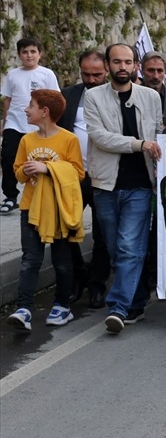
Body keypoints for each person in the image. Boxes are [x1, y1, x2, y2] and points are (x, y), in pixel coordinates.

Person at [83, 43, 162, 334]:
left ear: (135, 65)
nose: (123, 67)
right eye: (117, 62)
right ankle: (137, 301)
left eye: (128, 61)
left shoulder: (151, 97)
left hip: (140, 185)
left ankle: (118, 307)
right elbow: (100, 136)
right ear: (107, 65)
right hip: (105, 185)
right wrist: (139, 144)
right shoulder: (92, 97)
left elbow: (158, 133)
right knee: (118, 250)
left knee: (129, 246)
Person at [6, 89, 85, 332]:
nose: (26, 109)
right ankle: (24, 309)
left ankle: (62, 306)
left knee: (61, 260)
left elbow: (78, 173)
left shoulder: (69, 139)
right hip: (30, 207)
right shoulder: (26, 140)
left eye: (31, 105)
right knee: (30, 260)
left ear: (44, 111)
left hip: (59, 209)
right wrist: (26, 170)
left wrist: (48, 168)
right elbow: (18, 172)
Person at [56, 50, 111, 307]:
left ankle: (97, 284)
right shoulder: (68, 96)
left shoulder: (116, 96)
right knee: (66, 229)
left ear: (107, 70)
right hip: (73, 176)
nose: (91, 79)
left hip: (104, 176)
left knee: (103, 234)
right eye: (86, 74)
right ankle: (79, 275)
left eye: (97, 74)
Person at [2, 37, 61, 214]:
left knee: (40, 160)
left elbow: (55, 99)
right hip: (14, 123)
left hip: (38, 125)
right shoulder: (12, 74)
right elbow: (8, 100)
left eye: (33, 51)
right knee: (8, 157)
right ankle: (10, 196)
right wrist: (5, 122)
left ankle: (41, 193)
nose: (29, 55)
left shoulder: (47, 74)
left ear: (39, 54)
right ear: (19, 55)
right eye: (25, 52)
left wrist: (52, 123)